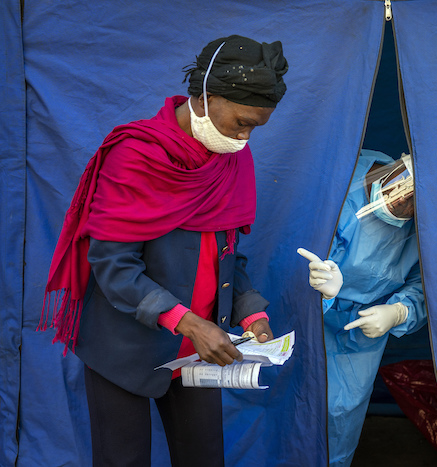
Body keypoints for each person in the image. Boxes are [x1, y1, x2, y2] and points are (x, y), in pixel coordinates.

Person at [39, 35, 288, 466]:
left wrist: (251, 313)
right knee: (124, 459)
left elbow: (227, 253)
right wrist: (188, 322)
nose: (245, 136)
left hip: (195, 351)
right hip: (125, 347)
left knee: (204, 456)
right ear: (207, 98)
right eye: (241, 122)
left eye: (255, 128)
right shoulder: (135, 155)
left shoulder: (231, 158)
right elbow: (112, 265)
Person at [298, 149, 427, 467]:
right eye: (401, 186)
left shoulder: (425, 232)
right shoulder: (343, 173)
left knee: (340, 414)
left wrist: (399, 312)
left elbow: (425, 284)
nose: (400, 202)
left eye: (414, 203)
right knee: (290, 400)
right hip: (305, 313)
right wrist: (318, 288)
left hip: (365, 326)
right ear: (399, 165)